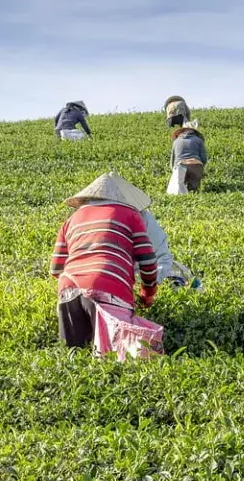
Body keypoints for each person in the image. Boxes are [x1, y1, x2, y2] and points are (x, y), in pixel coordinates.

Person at [49, 172, 159, 348]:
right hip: (109, 288)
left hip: (68, 288)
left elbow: (55, 269)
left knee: (74, 355)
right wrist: (148, 294)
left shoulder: (70, 220)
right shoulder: (130, 214)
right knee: (116, 357)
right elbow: (147, 261)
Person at [167, 120, 207, 193]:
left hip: (180, 165)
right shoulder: (199, 140)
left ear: (183, 130)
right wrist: (201, 168)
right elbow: (204, 158)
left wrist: (174, 170)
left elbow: (173, 159)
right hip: (196, 165)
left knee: (180, 189)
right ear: (194, 131)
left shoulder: (176, 141)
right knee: (194, 189)